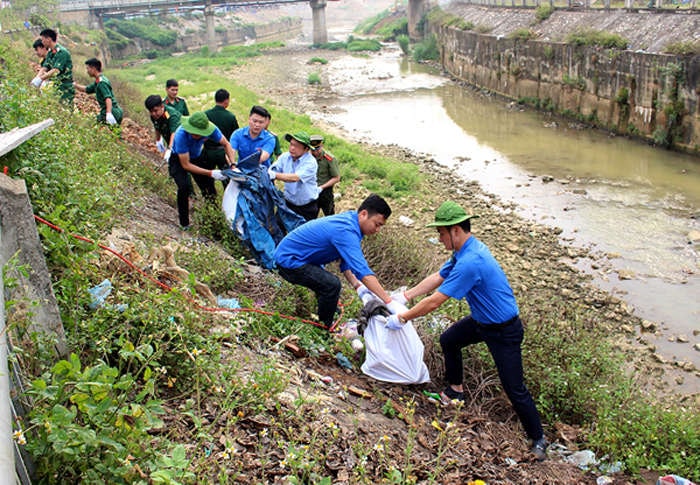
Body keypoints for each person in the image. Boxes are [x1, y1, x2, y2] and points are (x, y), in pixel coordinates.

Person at [385, 201, 548, 461]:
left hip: (504, 331)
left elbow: (436, 301)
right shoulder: (462, 252)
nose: (439, 238)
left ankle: (538, 438)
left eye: (441, 233)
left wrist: (403, 318)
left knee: (514, 387)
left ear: (456, 230)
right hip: (482, 322)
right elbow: (438, 277)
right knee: (449, 339)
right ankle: (455, 392)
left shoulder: (472, 261)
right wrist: (406, 295)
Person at [274, 194, 400, 329]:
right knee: (331, 285)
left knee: (328, 290)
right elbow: (363, 273)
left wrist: (358, 287)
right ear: (363, 214)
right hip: (289, 261)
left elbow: (346, 264)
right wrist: (389, 302)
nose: (377, 230)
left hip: (300, 258)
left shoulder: (352, 222)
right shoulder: (346, 230)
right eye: (377, 224)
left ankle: (328, 313)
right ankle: (324, 328)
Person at [171, 111, 237, 230]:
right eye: (194, 134)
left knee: (209, 188)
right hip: (179, 159)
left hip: (196, 156)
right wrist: (211, 172)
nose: (197, 137)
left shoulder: (211, 129)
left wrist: (233, 164)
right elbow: (186, 165)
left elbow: (226, 144)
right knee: (184, 187)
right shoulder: (181, 135)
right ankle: (184, 224)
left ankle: (215, 220)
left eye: (200, 135)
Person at [268, 132, 319, 221]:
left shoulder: (310, 162)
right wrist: (269, 172)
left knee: (303, 233)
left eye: (297, 146)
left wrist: (274, 175)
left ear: (306, 149)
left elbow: (295, 178)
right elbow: (274, 168)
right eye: (291, 144)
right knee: (278, 228)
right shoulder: (285, 157)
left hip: (306, 206)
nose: (292, 148)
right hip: (288, 202)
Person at [205, 89, 239, 188]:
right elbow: (235, 134)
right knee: (227, 179)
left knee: (208, 177)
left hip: (208, 151)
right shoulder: (230, 117)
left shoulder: (206, 114)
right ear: (226, 101)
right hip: (224, 152)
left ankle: (211, 198)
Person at [74, 58, 123, 126]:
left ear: (94, 68)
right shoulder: (98, 81)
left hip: (112, 111)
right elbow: (87, 89)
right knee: (114, 133)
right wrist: (75, 85)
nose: (87, 71)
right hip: (115, 111)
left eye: (88, 68)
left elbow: (108, 98)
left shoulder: (101, 83)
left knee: (90, 125)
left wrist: (108, 113)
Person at [37, 28, 74, 106]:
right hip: (55, 85)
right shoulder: (51, 52)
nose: (42, 42)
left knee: (65, 108)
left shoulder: (62, 52)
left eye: (43, 40)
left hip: (65, 86)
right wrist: (37, 77)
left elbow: (56, 70)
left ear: (49, 39)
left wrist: (41, 78)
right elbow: (45, 66)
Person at [310, 134, 341, 216]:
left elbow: (336, 178)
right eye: (312, 149)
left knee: (329, 214)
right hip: (311, 190)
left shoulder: (329, 159)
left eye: (317, 149)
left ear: (321, 145)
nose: (315, 152)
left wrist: (321, 187)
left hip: (325, 191)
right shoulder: (308, 157)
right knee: (310, 215)